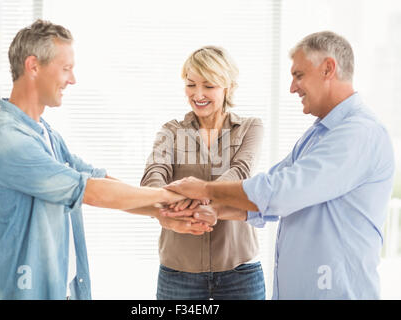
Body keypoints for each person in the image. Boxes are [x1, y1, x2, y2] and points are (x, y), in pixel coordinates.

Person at [0, 19, 212, 300]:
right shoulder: (8, 139)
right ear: (33, 66)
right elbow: (91, 191)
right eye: (66, 68)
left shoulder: (45, 133)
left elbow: (96, 178)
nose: (72, 79)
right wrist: (167, 197)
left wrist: (162, 213)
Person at [162, 31, 395, 299]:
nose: (292, 88)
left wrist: (205, 190)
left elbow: (281, 192)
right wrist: (218, 210)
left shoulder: (357, 133)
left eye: (299, 75)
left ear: (328, 69)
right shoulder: (318, 134)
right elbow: (271, 196)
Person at [141, 46, 266, 300]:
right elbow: (153, 175)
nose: (198, 94)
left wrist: (196, 196)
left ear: (227, 86)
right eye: (191, 85)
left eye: (208, 86)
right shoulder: (171, 131)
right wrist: (163, 200)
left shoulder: (250, 127)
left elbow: (240, 171)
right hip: (178, 271)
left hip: (239, 270)